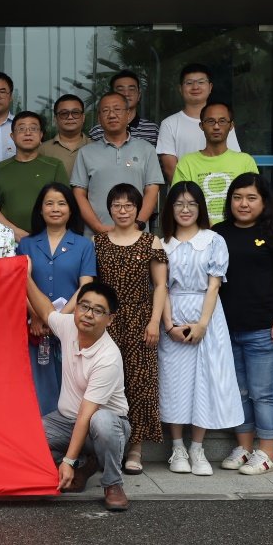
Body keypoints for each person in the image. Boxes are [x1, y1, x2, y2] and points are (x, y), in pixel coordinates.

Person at [214, 173, 273, 475]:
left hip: (266, 329)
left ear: (263, 202)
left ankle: (266, 453)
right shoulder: (218, 233)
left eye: (251, 198)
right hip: (226, 330)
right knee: (238, 391)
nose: (243, 204)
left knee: (263, 392)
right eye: (237, 197)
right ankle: (244, 448)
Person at [158, 181, 242, 476]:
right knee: (174, 382)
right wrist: (169, 326)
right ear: (170, 208)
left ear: (200, 207)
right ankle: (177, 448)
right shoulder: (162, 243)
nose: (185, 209)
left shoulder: (214, 240)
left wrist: (202, 325)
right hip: (173, 315)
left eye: (192, 203)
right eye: (179, 203)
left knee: (204, 381)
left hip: (207, 315)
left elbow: (214, 286)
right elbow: (161, 287)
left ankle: (197, 448)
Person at [25, 279, 132, 512]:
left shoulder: (108, 357)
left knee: (102, 420)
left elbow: (86, 415)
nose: (88, 314)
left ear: (110, 319)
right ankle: (84, 464)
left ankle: (113, 483)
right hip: (65, 422)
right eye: (84, 306)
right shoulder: (69, 326)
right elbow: (46, 310)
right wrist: (25, 276)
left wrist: (67, 460)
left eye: (98, 311)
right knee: (27, 438)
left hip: (103, 426)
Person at [91, 183, 168, 474]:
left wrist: (154, 321)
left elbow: (160, 285)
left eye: (129, 205)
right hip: (105, 323)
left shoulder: (151, 241)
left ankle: (135, 449)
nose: (122, 210)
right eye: (117, 205)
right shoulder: (97, 242)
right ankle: (105, 445)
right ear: (109, 209)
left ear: (138, 209)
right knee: (104, 383)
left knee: (139, 384)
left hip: (140, 322)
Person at [16, 183, 96, 416]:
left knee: (72, 385)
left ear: (71, 209)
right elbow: (20, 284)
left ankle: (71, 436)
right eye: (49, 203)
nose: (55, 209)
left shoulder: (84, 245)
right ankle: (42, 435)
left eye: (62, 203)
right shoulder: (26, 244)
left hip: (71, 326)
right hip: (35, 328)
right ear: (40, 210)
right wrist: (36, 316)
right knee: (38, 387)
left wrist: (58, 319)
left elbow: (85, 286)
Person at [71, 93, 162, 234]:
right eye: (105, 110)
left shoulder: (146, 149)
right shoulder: (86, 152)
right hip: (97, 236)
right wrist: (98, 227)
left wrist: (137, 225)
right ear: (99, 118)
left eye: (117, 109)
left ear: (128, 114)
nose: (112, 115)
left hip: (136, 235)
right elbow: (79, 194)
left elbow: (152, 192)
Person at [171, 103, 259, 225]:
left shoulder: (245, 161)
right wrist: (209, 229)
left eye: (222, 121)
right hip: (200, 231)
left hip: (238, 230)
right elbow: (179, 203)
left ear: (231, 126)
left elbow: (254, 201)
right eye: (210, 121)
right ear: (201, 126)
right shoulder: (187, 162)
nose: (216, 127)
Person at [0, 111, 69, 241]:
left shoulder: (55, 166)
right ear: (12, 136)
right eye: (21, 129)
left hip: (49, 239)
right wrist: (14, 232)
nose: (28, 133)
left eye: (34, 128)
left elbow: (65, 204)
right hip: (7, 240)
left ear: (41, 134)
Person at [156, 64, 241, 183]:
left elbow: (234, 161)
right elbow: (171, 170)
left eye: (201, 82)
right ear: (180, 89)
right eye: (189, 83)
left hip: (221, 190)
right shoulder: (169, 124)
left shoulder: (223, 122)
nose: (195, 87)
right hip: (184, 193)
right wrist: (189, 194)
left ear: (210, 87)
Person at [86, 71, 159, 146]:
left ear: (139, 96)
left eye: (131, 89)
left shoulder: (152, 130)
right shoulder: (97, 131)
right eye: (120, 90)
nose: (126, 94)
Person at [39, 94, 89, 177]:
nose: (70, 117)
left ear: (83, 117)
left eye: (75, 113)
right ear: (55, 119)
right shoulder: (43, 150)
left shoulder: (95, 147)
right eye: (64, 113)